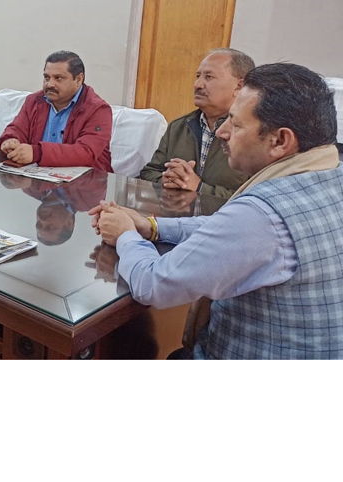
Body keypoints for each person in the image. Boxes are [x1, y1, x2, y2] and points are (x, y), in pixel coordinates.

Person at [90, 63, 343, 359]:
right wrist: (152, 226)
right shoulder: (329, 176)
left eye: (235, 124)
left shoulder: (264, 214)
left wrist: (125, 234)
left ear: (280, 140)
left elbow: (152, 284)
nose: (223, 132)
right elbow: (225, 229)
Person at [138, 48, 255, 199]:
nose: (198, 85)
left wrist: (199, 188)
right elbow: (148, 173)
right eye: (198, 76)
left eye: (209, 77)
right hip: (175, 219)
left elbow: (254, 200)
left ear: (239, 87)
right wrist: (166, 181)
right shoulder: (180, 126)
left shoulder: (254, 134)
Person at [0, 51, 112, 170]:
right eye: (46, 77)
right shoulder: (35, 101)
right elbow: (17, 128)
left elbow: (86, 152)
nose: (50, 84)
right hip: (39, 180)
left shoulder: (98, 110)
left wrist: (38, 153)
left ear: (78, 80)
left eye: (58, 78)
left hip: (85, 183)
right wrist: (10, 140)